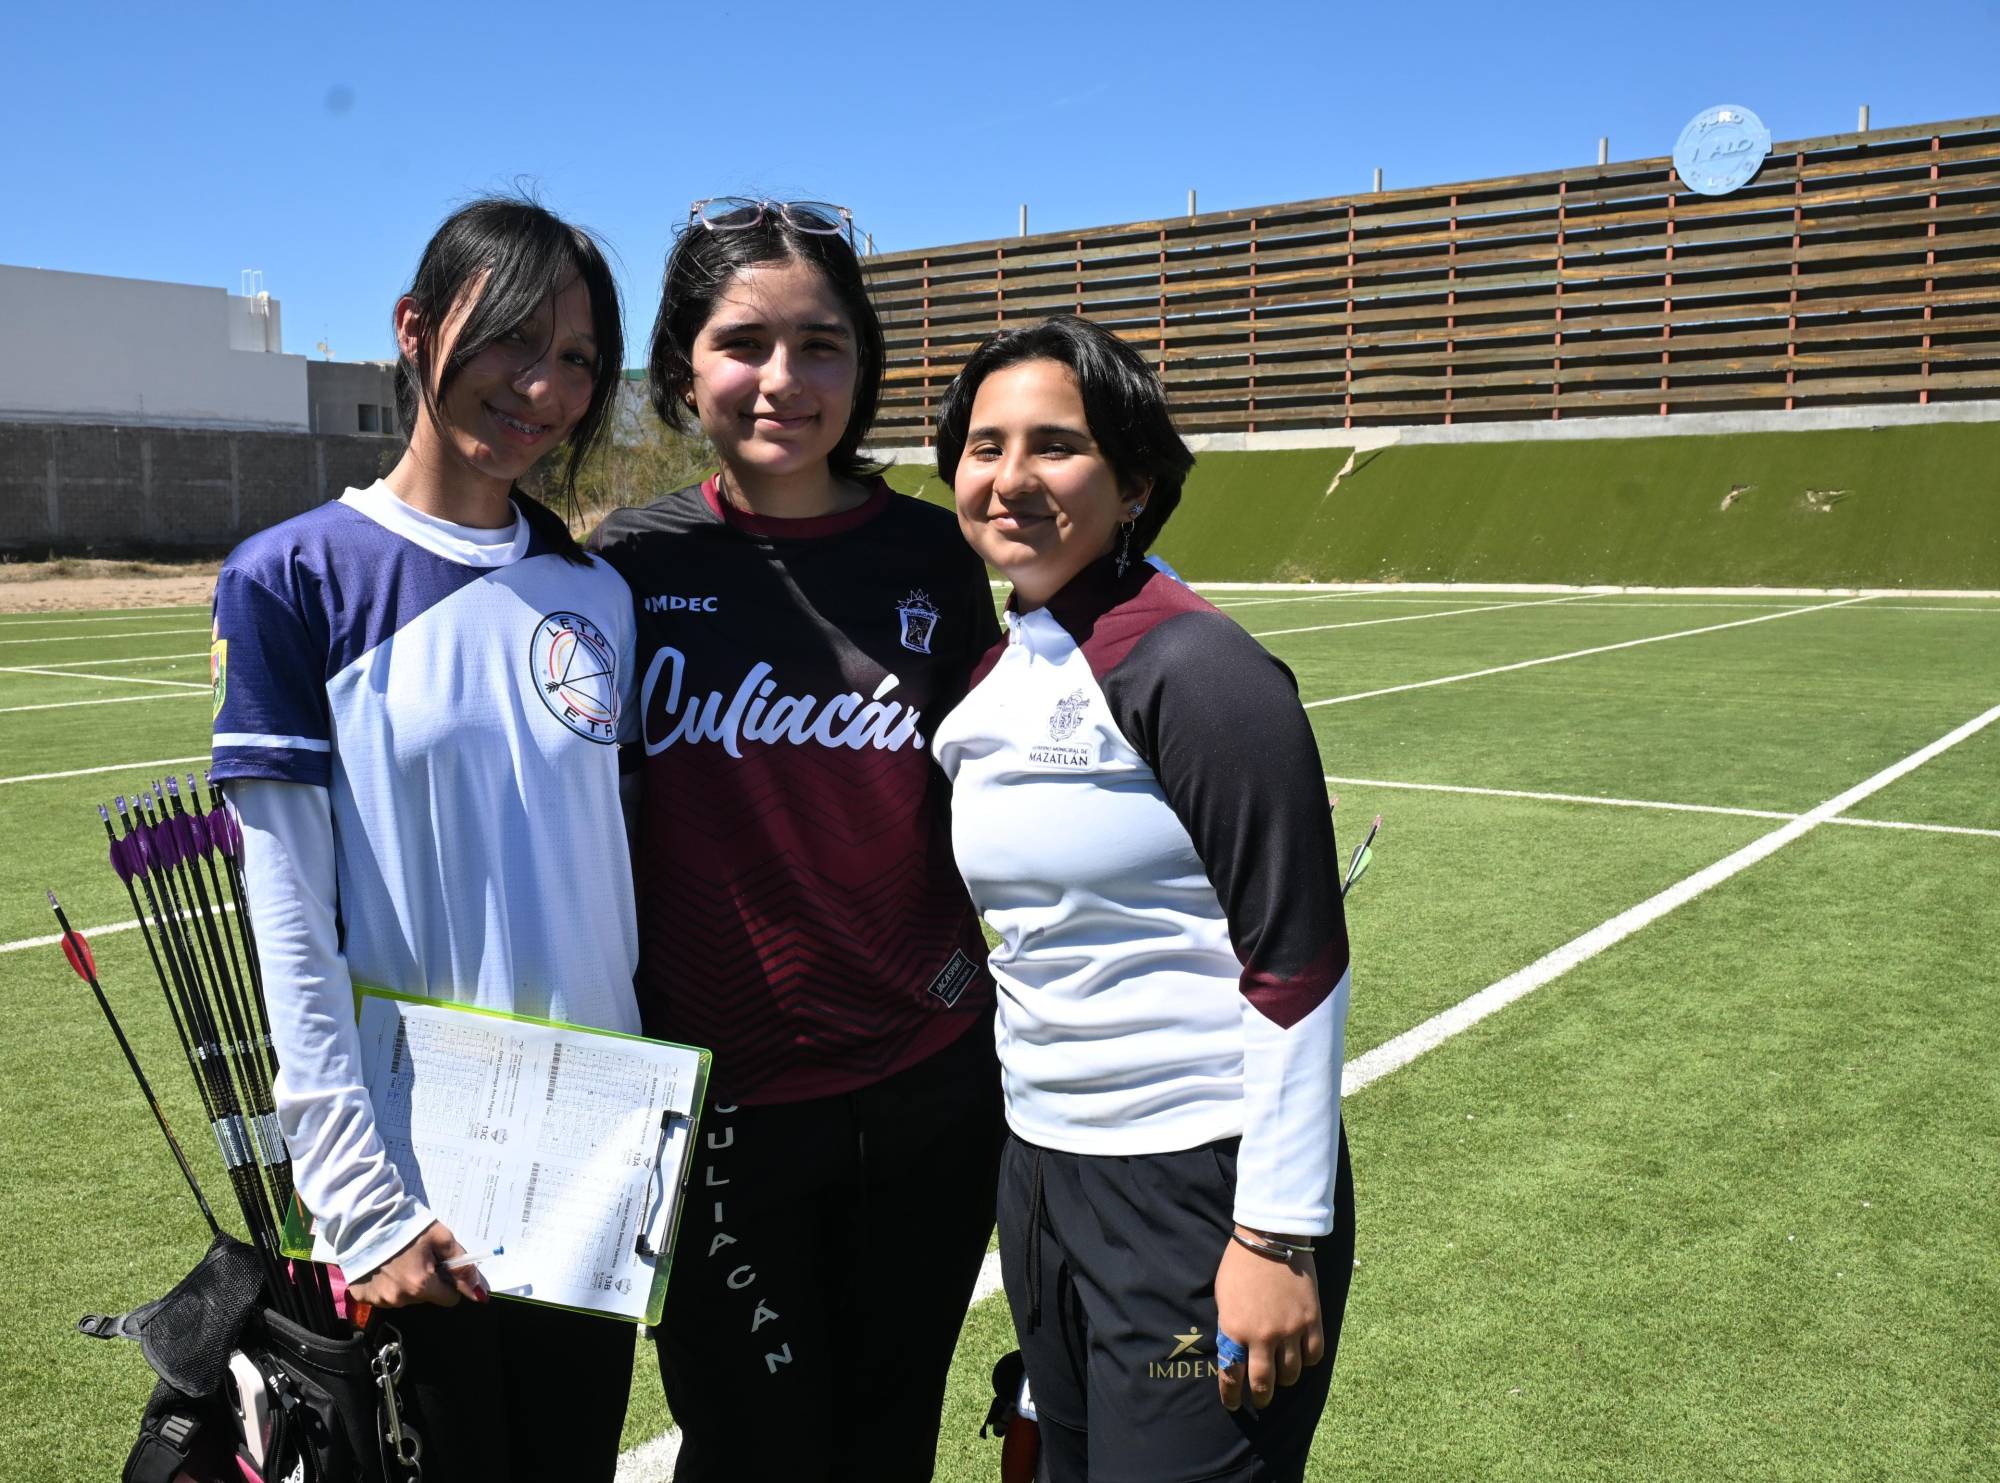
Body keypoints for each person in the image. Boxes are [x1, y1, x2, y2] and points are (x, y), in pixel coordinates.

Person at [209, 197, 640, 1482]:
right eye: (511, 337)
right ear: (413, 329)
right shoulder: (294, 577)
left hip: (592, 1179)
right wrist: (363, 1203)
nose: (543, 388)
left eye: (576, 359)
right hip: (421, 1190)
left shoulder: (598, 590)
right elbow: (288, 925)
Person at [586, 198, 1004, 1481]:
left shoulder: (934, 554)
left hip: (928, 1086)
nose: (783, 380)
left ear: (863, 362)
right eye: (743, 343)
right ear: (681, 368)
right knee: (746, 1446)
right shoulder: (626, 567)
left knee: (886, 1445)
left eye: (820, 344)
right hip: (719, 1107)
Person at [930, 314, 1357, 1483]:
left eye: (1055, 445)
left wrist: (1272, 1232)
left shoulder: (1194, 666)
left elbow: (1299, 959)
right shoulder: (997, 672)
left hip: (1193, 1178)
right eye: (982, 445)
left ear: (1135, 481)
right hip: (1042, 1170)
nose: (1010, 478)